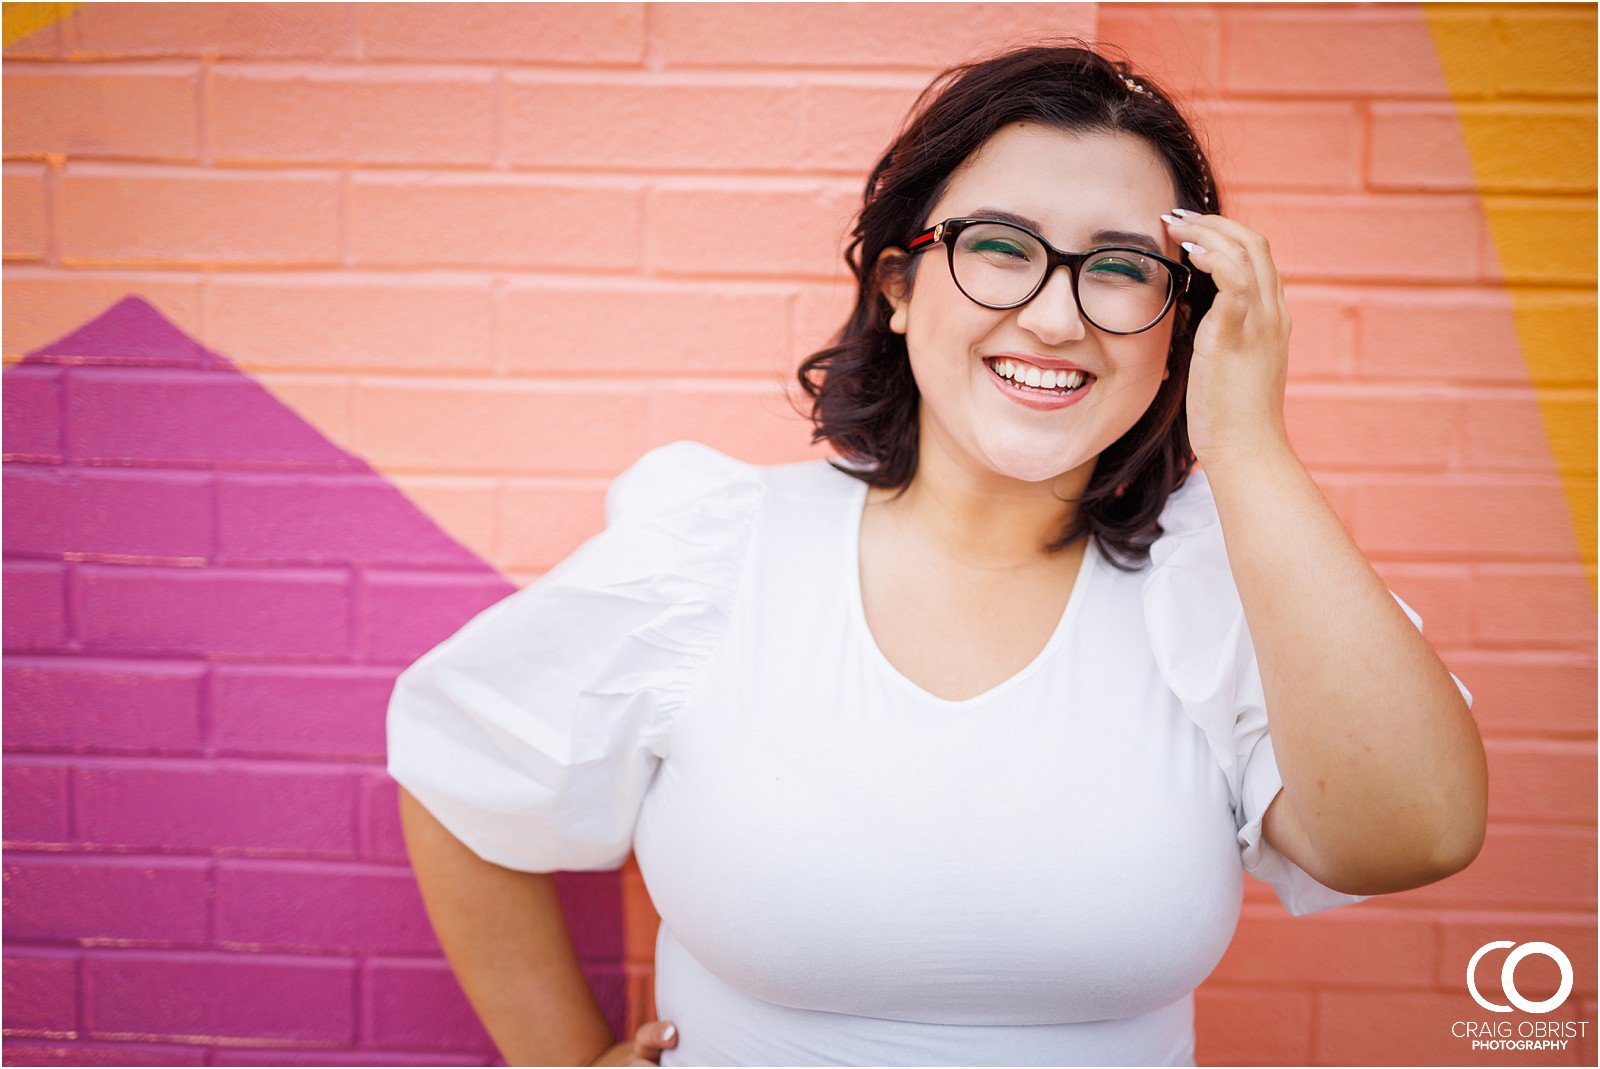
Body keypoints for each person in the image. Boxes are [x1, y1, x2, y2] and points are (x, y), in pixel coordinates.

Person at [387, 39, 1487, 1067]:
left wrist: (1245, 441)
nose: (1055, 318)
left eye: (1118, 269)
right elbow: (459, 768)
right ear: (898, 287)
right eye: (998, 248)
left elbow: (1413, 833)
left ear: (1178, 327)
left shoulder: (1223, 584)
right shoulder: (719, 551)